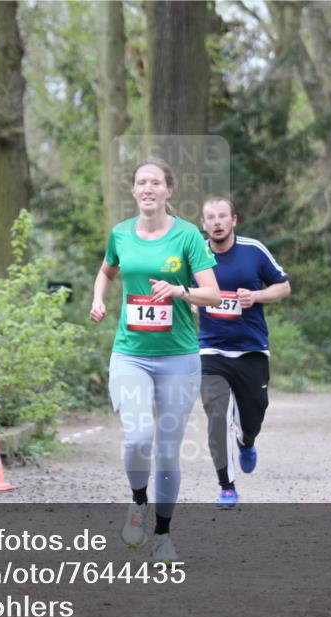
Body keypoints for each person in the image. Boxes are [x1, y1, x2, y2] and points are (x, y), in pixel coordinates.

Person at [90, 157, 221, 563]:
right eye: (141, 182)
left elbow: (213, 295)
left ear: (168, 191)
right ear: (134, 191)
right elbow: (107, 271)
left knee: (167, 451)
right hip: (131, 354)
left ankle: (163, 534)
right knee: (139, 437)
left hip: (178, 357)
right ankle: (137, 502)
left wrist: (180, 292)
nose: (148, 188)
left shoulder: (187, 237)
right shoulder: (120, 234)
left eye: (155, 183)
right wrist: (97, 298)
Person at [196, 197, 290, 509]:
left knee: (253, 416)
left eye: (223, 216)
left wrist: (257, 296)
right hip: (210, 349)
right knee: (216, 415)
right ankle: (226, 484)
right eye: (211, 217)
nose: (217, 222)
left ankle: (246, 440)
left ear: (234, 220)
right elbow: (183, 291)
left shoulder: (253, 250)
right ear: (204, 223)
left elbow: (283, 286)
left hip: (251, 349)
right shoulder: (196, 253)